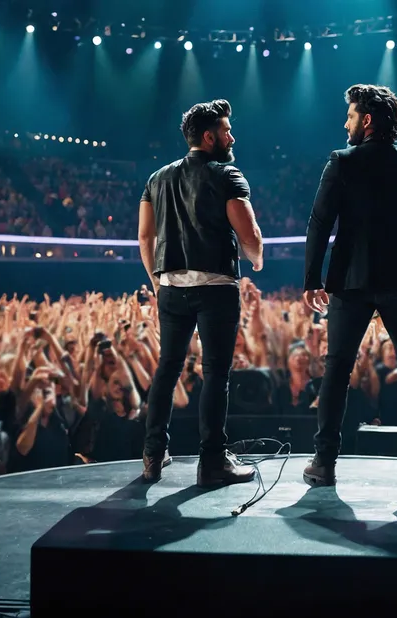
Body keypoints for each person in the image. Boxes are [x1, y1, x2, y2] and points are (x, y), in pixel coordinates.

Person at [301, 84, 397, 490]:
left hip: (350, 281)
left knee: (338, 369)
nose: (345, 122)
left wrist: (312, 278)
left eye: (349, 115)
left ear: (366, 120)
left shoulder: (342, 162)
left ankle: (324, 463)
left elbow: (319, 223)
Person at [137, 99, 262, 487]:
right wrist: (256, 260)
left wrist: (158, 281)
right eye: (226, 130)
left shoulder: (157, 178)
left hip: (172, 287)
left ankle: (153, 453)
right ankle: (212, 462)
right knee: (215, 374)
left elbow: (145, 235)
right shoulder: (227, 174)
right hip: (216, 287)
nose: (232, 136)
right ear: (209, 138)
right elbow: (249, 235)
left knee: (167, 368)